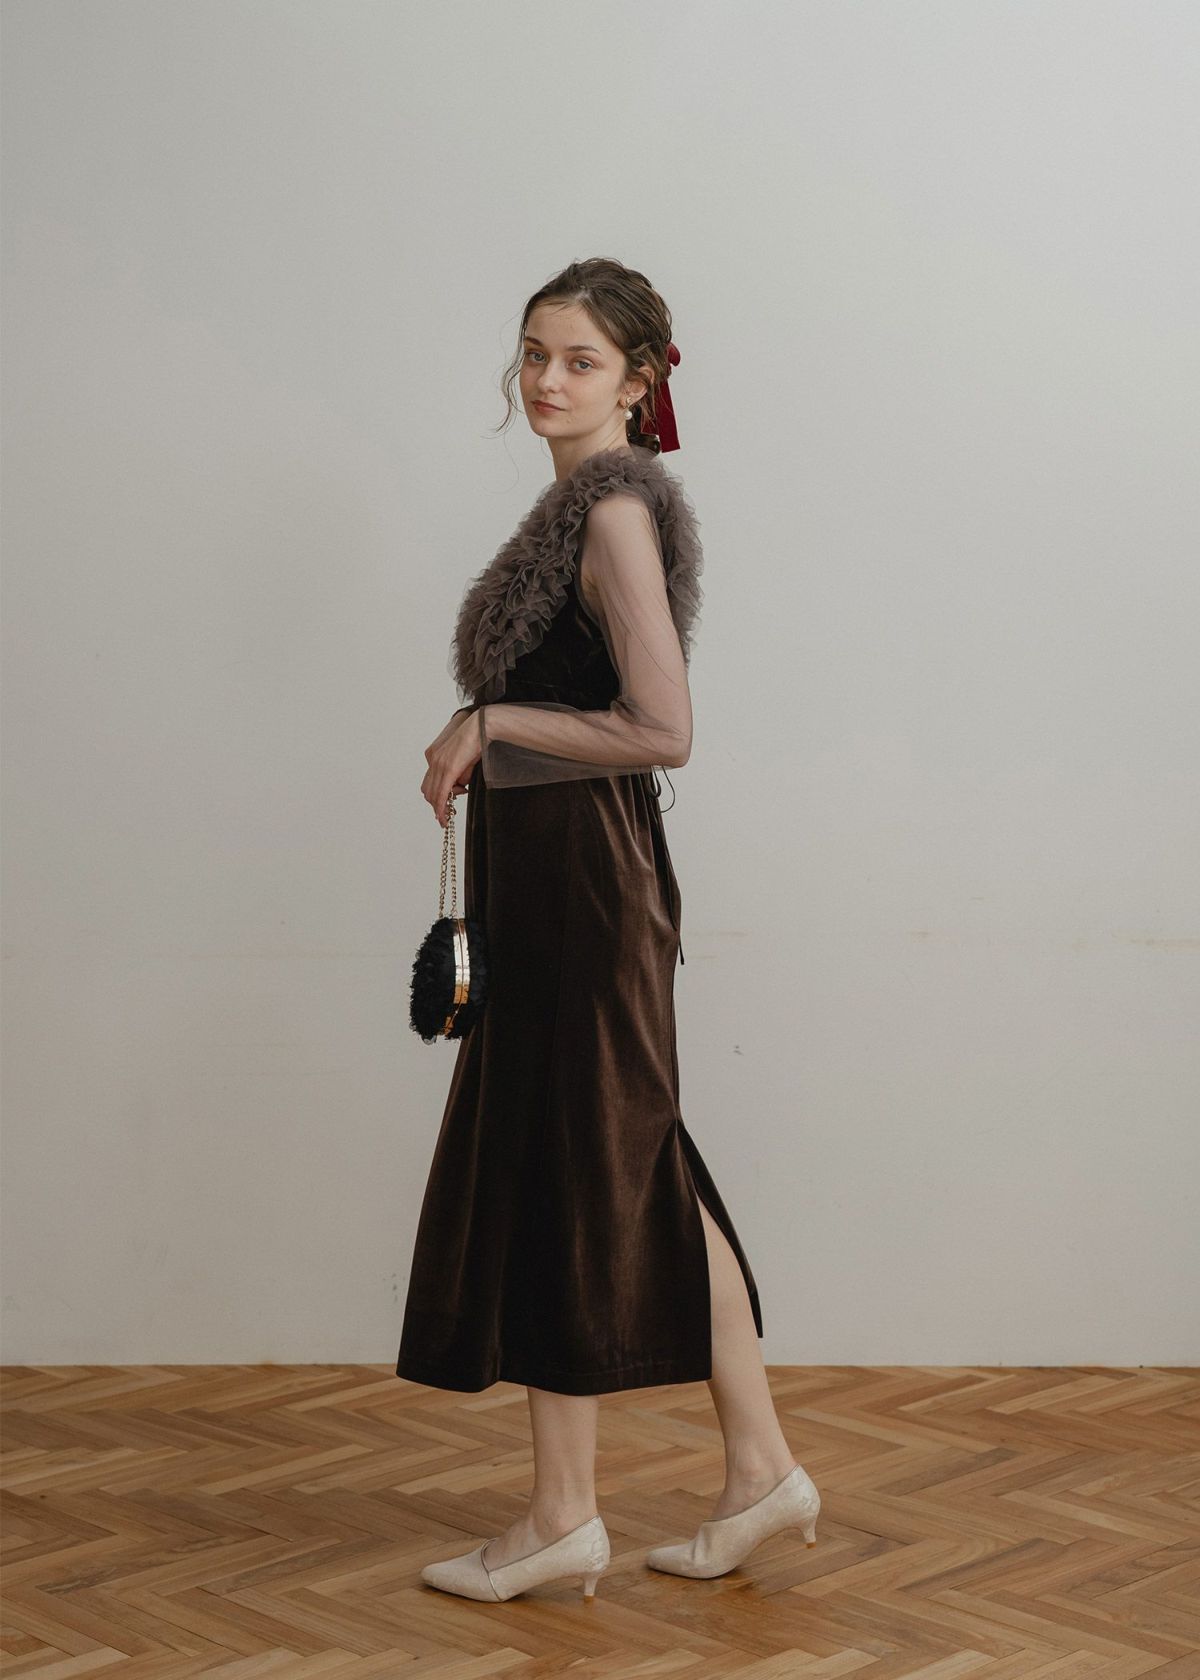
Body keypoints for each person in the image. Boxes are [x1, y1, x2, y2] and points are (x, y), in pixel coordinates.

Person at [396, 258, 820, 1602]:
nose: (546, 379)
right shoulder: (578, 508)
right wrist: (487, 729)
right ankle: (747, 1473)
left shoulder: (616, 514)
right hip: (557, 878)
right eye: (533, 353)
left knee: (584, 1164)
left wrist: (490, 720)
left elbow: (662, 728)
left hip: (585, 886)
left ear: (637, 382)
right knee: (627, 1160)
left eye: (579, 360)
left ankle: (567, 1516)